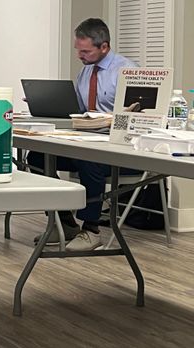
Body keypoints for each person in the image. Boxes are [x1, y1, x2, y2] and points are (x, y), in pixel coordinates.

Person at [32, 17, 137, 251]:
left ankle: (91, 230)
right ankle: (64, 222)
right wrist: (49, 103)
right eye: (78, 51)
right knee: (36, 158)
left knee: (91, 161)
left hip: (117, 148)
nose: (80, 56)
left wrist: (106, 121)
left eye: (85, 52)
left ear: (104, 47)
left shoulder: (127, 71)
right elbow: (79, 111)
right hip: (88, 140)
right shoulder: (85, 72)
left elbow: (137, 118)